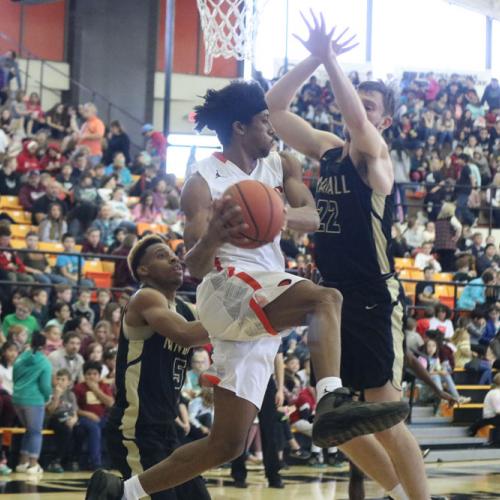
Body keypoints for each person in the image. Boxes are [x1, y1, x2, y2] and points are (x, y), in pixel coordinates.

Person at [87, 79, 407, 499]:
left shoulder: (282, 165)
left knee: (227, 443)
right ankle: (331, 399)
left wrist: (276, 214)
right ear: (240, 127)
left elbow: (313, 216)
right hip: (225, 289)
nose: (271, 128)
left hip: (263, 296)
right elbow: (195, 267)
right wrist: (216, 234)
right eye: (262, 122)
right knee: (326, 298)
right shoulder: (202, 181)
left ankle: (122, 493)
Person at [266, 13, 427, 499]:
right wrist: (314, 58)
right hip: (331, 299)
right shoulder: (328, 149)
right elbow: (275, 108)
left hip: (374, 295)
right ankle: (400, 494)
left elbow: (356, 120)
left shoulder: (375, 156)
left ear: (385, 119)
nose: (359, 107)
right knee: (334, 420)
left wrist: (332, 58)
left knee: (384, 412)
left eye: (371, 103)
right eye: (361, 99)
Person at [95, 234, 211, 499]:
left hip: (167, 428)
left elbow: (216, 322)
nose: (173, 257)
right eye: (161, 255)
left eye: (172, 253)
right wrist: (247, 320)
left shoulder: (185, 307)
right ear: (143, 271)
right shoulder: (144, 298)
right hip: (136, 428)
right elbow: (186, 333)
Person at [12, 331, 52, 474]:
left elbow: (14, 376)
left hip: (17, 398)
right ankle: (33, 465)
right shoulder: (44, 362)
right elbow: (45, 386)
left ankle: (22, 463)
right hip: (34, 400)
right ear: (44, 345)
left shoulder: (20, 357)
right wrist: (48, 396)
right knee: (35, 432)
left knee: (29, 430)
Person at [45, 368, 78, 473]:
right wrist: (57, 396)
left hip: (68, 418)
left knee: (80, 430)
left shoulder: (71, 395)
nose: (59, 382)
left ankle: (72, 460)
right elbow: (50, 411)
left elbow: (74, 412)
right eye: (58, 379)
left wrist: (73, 420)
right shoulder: (51, 392)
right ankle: (56, 461)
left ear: (69, 382)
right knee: (65, 430)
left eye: (63, 380)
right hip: (53, 419)